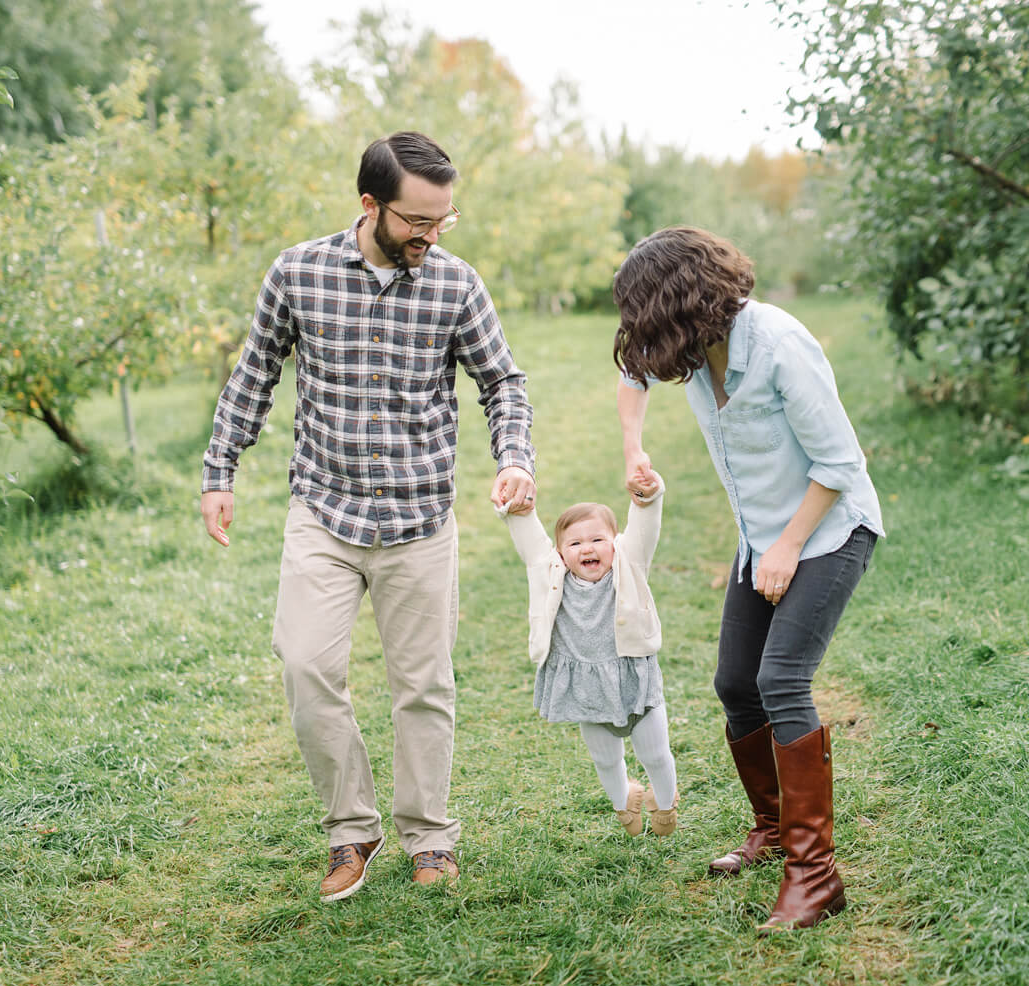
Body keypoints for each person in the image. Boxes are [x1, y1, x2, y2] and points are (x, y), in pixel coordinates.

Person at [199, 131, 537, 900]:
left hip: (421, 515)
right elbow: (254, 374)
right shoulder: (299, 271)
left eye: (442, 221)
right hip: (323, 507)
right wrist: (220, 469)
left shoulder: (456, 284)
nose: (431, 236)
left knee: (423, 684)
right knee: (306, 664)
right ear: (369, 205)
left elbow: (503, 382)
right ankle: (351, 828)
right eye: (417, 222)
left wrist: (514, 455)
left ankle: (429, 835)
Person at [612, 227, 883, 932]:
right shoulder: (696, 347)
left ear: (683, 304)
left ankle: (816, 876)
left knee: (781, 679)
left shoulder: (780, 346)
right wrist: (634, 448)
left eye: (645, 319)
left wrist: (789, 546)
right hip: (760, 539)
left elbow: (840, 462)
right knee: (736, 683)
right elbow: (631, 375)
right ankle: (774, 826)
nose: (641, 338)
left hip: (826, 529)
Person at [496, 474, 679, 837]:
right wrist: (520, 512)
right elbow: (532, 545)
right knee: (605, 758)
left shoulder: (630, 564)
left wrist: (647, 498)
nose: (587, 548)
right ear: (561, 553)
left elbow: (644, 528)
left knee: (655, 753)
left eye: (598, 539)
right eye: (575, 543)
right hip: (584, 685)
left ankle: (666, 800)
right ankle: (623, 800)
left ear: (615, 544)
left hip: (633, 678)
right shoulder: (550, 572)